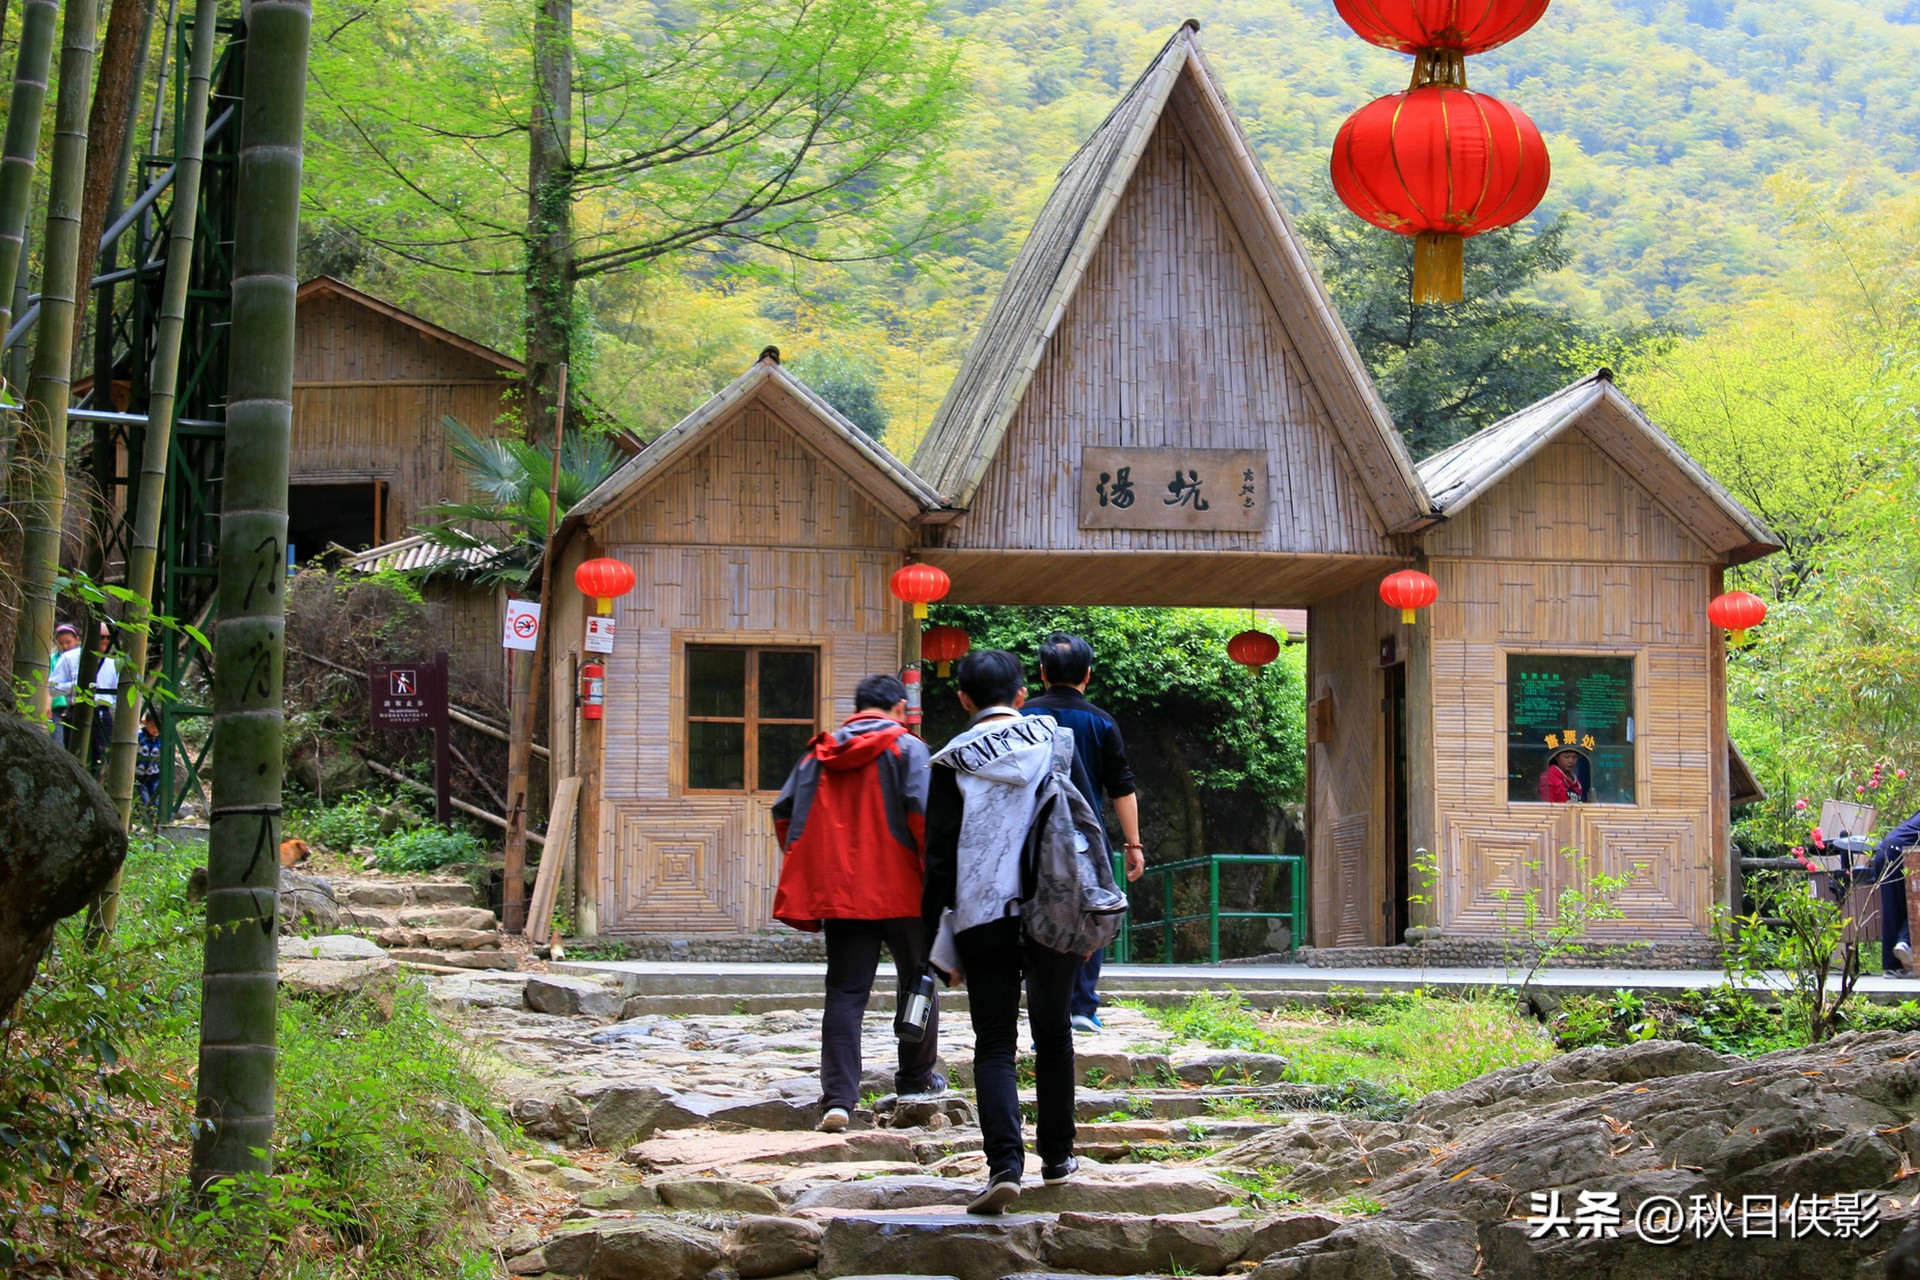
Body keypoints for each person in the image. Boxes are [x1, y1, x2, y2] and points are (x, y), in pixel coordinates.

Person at [923, 648, 1094, 1214]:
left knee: (994, 1042)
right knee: (1054, 1032)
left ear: (963, 699)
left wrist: (929, 937)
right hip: (1052, 905)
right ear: (1022, 695)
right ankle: (1058, 1156)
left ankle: (1004, 1166)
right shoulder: (1056, 742)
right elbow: (1084, 825)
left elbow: (939, 858)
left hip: (982, 914)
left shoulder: (950, 761)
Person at [770, 673, 941, 1134]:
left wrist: (815, 865)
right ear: (900, 708)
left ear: (857, 708)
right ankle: (915, 1080)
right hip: (906, 891)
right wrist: (938, 881)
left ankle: (839, 1100)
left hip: (842, 894)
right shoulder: (909, 749)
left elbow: (785, 814)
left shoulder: (818, 754)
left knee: (845, 994)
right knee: (918, 983)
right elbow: (924, 819)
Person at [1023, 632, 1143, 1033]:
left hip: (1031, 836)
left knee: (1035, 911)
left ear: (1042, 672)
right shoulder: (1102, 722)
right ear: (1087, 674)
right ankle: (1081, 1004)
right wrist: (1133, 844)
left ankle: (1043, 1006)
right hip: (1086, 838)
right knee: (1092, 909)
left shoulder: (1020, 717)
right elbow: (1121, 786)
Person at [1869, 809, 1918, 977]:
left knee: (1892, 908)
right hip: (1900, 853)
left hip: (1884, 851)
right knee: (1914, 902)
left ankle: (1893, 966)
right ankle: (1906, 942)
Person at [46, 622, 80, 743]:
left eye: (68, 642)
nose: (64, 646)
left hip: (73, 706)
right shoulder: (53, 659)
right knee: (57, 738)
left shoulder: (80, 657)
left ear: (77, 640)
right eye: (60, 643)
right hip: (56, 704)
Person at [137, 710, 165, 814]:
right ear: (145, 722)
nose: (155, 729)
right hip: (139, 775)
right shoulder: (139, 737)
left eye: (158, 726)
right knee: (143, 801)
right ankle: (144, 819)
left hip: (154, 775)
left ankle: (154, 820)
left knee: (155, 800)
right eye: (153, 725)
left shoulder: (162, 739)